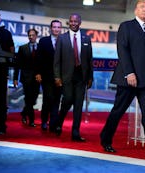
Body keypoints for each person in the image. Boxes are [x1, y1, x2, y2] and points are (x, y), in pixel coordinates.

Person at [100, 0, 145, 160]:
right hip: (128, 79)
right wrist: (129, 73)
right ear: (136, 10)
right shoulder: (126, 26)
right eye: (142, 7)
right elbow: (122, 50)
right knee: (118, 111)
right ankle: (105, 139)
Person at [53, 13, 93, 142]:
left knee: (78, 105)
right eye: (71, 21)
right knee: (68, 100)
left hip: (81, 77)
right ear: (69, 22)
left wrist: (90, 77)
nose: (74, 23)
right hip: (66, 76)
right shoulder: (62, 38)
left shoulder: (86, 38)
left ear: (80, 22)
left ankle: (75, 132)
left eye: (76, 21)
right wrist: (57, 77)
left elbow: (89, 59)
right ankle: (59, 122)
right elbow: (56, 60)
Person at [35, 20, 62, 132]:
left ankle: (53, 123)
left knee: (57, 100)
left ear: (61, 29)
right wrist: (38, 73)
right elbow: (38, 58)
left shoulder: (64, 41)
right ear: (50, 28)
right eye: (54, 27)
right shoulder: (43, 41)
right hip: (46, 76)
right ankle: (44, 121)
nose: (56, 29)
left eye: (58, 27)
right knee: (48, 99)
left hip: (60, 77)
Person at [13, 28, 39, 127]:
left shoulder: (40, 48)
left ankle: (24, 113)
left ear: (36, 36)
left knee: (33, 99)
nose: (31, 37)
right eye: (29, 35)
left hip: (37, 78)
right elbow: (17, 65)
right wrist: (15, 78)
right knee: (28, 99)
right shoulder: (22, 48)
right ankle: (31, 121)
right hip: (26, 78)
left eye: (33, 35)